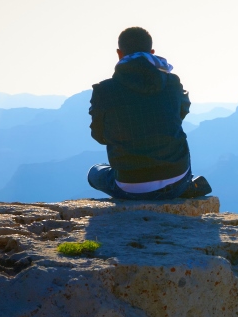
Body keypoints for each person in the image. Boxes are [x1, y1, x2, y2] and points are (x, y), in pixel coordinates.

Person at [87, 27, 212, 200]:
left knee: (95, 172)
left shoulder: (103, 90)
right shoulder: (173, 83)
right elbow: (180, 114)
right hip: (177, 178)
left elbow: (100, 136)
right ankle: (185, 186)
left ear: (119, 53)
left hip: (129, 184)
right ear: (152, 52)